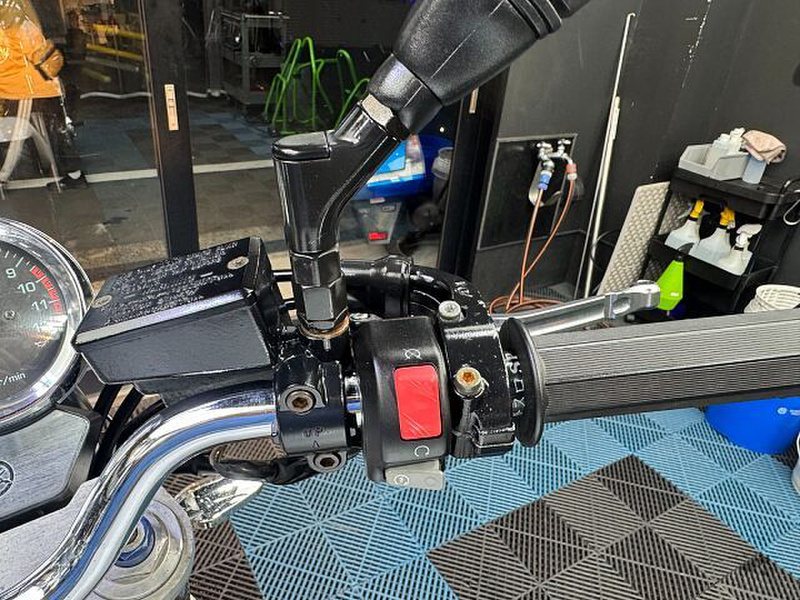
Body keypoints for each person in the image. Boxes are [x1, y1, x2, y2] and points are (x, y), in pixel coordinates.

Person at [0, 0, 86, 191]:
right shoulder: (14, 12)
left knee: (15, 133)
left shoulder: (12, 14)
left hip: (25, 85)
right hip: (30, 83)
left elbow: (34, 46)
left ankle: (3, 176)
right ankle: (70, 172)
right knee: (49, 129)